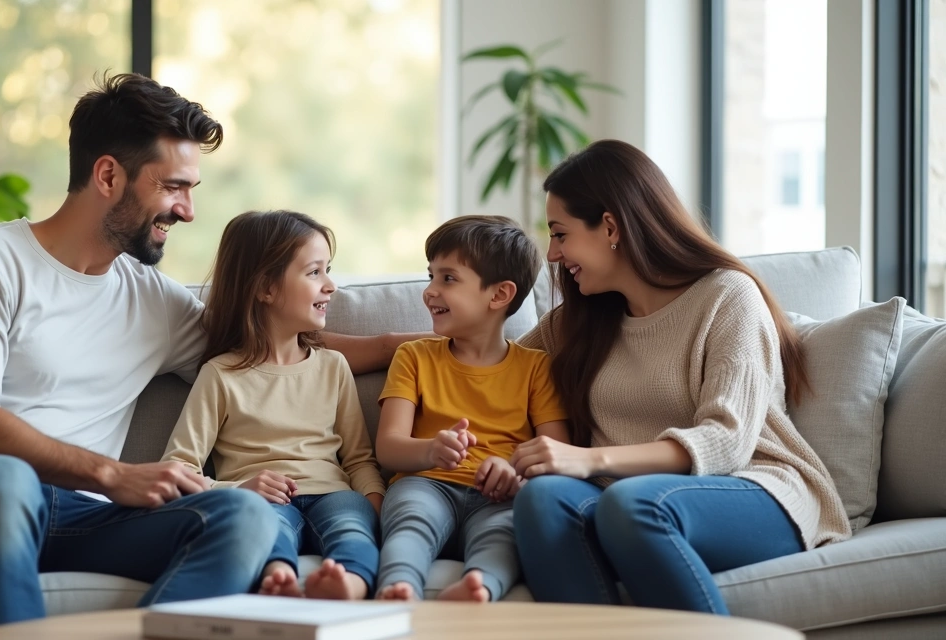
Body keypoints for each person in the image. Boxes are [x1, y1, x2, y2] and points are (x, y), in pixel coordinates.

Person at [0, 75, 410, 639]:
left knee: (245, 516)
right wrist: (113, 475)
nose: (189, 210)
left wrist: (400, 348)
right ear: (107, 175)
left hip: (77, 518)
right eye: (174, 186)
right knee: (4, 481)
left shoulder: (152, 300)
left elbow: (261, 340)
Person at [510, 139, 851, 614]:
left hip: (756, 489)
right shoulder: (578, 323)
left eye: (560, 234)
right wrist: (381, 349)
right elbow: (486, 362)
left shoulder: (728, 298)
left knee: (633, 506)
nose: (551, 253)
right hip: (624, 502)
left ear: (609, 225)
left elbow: (727, 441)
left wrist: (588, 460)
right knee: (542, 501)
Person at [162, 210, 385, 601]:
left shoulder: (333, 367)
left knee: (353, 529)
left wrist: (375, 503)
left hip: (335, 494)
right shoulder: (220, 374)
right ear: (266, 288)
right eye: (314, 272)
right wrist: (238, 489)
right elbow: (179, 467)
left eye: (327, 270)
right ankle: (278, 578)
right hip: (264, 503)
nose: (330, 285)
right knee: (267, 531)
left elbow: (359, 460)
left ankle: (349, 584)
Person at [374, 215, 568, 603]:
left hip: (502, 496)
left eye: (447, 278)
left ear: (499, 295)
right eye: (431, 276)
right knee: (411, 521)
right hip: (424, 482)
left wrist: (514, 472)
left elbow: (557, 455)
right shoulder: (413, 357)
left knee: (506, 534)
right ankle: (398, 590)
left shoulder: (536, 368)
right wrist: (430, 450)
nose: (429, 291)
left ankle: (478, 587)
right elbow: (388, 447)